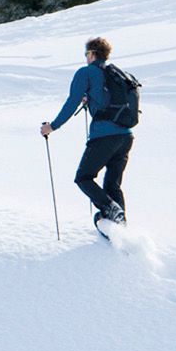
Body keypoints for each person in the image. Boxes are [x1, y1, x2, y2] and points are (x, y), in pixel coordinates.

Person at [39, 36, 132, 228]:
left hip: (104, 136)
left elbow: (72, 101)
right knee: (112, 184)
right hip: (126, 136)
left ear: (92, 54)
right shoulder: (115, 74)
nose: (85, 58)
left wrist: (53, 126)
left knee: (83, 177)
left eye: (86, 54)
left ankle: (110, 210)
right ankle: (120, 226)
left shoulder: (86, 72)